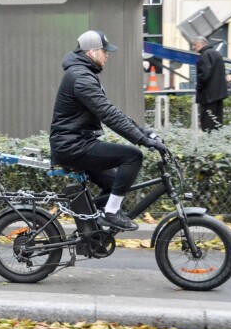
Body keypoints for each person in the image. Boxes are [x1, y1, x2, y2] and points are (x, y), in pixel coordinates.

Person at [50, 30, 166, 231]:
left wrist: (142, 131)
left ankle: (89, 231)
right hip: (73, 146)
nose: (107, 55)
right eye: (105, 51)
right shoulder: (81, 77)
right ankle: (111, 213)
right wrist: (141, 140)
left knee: (114, 182)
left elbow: (110, 110)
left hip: (78, 142)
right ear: (92, 52)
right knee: (132, 156)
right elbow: (108, 114)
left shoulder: (83, 73)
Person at [192, 36, 228, 132]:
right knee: (217, 122)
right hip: (218, 95)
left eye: (195, 44)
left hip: (208, 96)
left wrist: (198, 88)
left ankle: (209, 143)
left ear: (201, 44)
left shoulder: (205, 55)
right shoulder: (217, 54)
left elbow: (204, 75)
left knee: (207, 123)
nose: (193, 47)